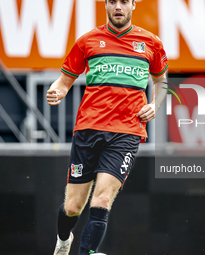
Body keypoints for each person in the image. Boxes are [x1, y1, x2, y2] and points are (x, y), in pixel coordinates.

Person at [47, 0, 168, 254]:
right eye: (112, 1)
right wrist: (57, 91)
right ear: (105, 4)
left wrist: (155, 105)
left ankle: (87, 252)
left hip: (127, 132)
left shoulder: (151, 43)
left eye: (124, 1)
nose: (118, 6)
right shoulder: (88, 41)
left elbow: (161, 81)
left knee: (102, 200)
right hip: (88, 129)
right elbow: (65, 80)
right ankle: (62, 240)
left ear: (134, 4)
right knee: (72, 207)